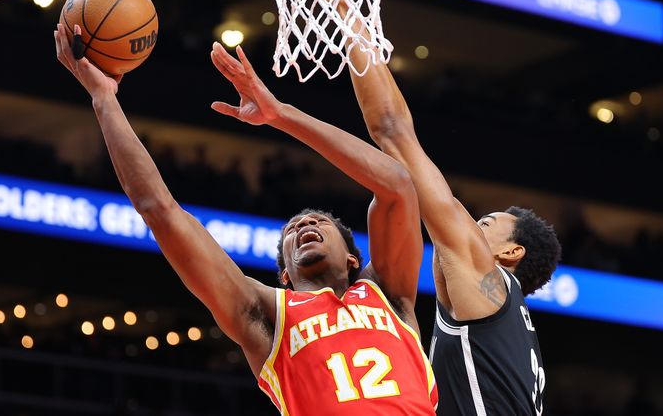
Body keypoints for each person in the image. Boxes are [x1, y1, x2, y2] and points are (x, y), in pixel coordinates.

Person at [54, 24, 437, 415]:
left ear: (354, 259)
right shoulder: (264, 314)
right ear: (285, 275)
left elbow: (397, 185)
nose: (303, 226)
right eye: (291, 230)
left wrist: (281, 115)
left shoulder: (388, 295)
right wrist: (103, 98)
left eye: (319, 222)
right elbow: (160, 210)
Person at [306, 0, 562, 415]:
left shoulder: (486, 281)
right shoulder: (509, 327)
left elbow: (393, 130)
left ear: (510, 250)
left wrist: (340, 3)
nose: (470, 222)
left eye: (485, 223)